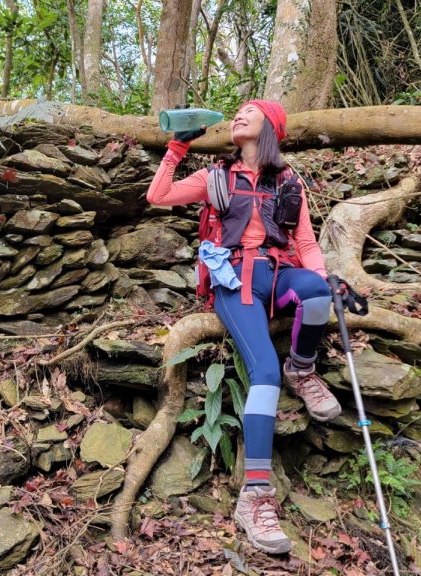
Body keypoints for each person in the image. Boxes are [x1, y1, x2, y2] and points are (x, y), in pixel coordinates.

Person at [146, 100, 341, 554]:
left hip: (278, 273)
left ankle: (304, 369)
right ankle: (255, 495)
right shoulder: (216, 176)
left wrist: (328, 277)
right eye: (234, 112)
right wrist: (177, 147)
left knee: (317, 293)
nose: (236, 116)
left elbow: (305, 242)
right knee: (264, 372)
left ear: (270, 127)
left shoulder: (288, 182)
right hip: (234, 280)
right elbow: (158, 196)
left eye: (248, 112)